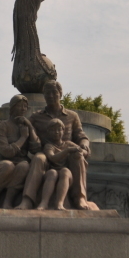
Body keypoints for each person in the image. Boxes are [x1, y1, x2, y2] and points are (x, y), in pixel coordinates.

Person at [26, 79, 94, 209]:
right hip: (47, 154)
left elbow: (81, 135)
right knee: (38, 158)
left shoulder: (72, 116)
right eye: (47, 93)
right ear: (44, 95)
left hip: (66, 157)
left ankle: (80, 198)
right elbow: (24, 130)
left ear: (60, 94)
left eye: (54, 93)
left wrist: (84, 146)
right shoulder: (36, 116)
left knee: (78, 156)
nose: (50, 96)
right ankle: (28, 199)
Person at [0, 95, 41, 208]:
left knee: (24, 166)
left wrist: (30, 126)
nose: (23, 109)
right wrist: (23, 138)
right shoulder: (2, 126)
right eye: (20, 106)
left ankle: (8, 201)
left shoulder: (26, 126)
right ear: (12, 107)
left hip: (21, 161)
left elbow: (36, 149)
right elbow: (6, 151)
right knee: (7, 166)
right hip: (4, 161)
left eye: (25, 106)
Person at [37, 118, 78, 210]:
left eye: (59, 129)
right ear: (48, 132)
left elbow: (82, 151)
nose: (56, 132)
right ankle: (44, 202)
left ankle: (60, 203)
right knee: (52, 173)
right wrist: (67, 151)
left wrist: (82, 150)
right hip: (51, 172)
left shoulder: (68, 144)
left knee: (65, 171)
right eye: (53, 130)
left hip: (66, 175)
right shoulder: (49, 146)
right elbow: (52, 158)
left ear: (63, 131)